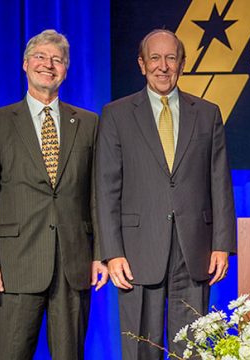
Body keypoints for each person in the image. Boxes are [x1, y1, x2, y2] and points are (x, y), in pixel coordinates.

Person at [96, 29, 236, 359]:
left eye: (171, 58)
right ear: (142, 65)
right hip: (136, 251)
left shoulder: (207, 113)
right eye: (155, 58)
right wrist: (111, 252)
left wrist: (222, 244)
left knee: (192, 346)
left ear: (182, 64)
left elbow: (219, 181)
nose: (163, 66)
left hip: (194, 249)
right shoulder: (116, 114)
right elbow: (106, 187)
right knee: (139, 346)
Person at [0, 29, 108, 359]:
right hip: (16, 265)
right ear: (25, 64)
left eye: (57, 60)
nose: (49, 64)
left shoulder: (89, 123)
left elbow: (97, 195)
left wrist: (99, 253)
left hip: (72, 264)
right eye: (41, 57)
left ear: (66, 70)